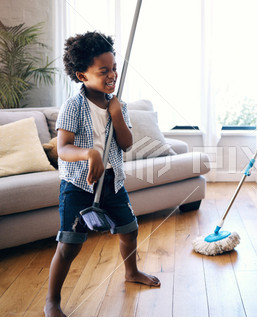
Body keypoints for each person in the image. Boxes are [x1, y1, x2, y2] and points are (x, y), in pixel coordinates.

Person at [44, 32, 160, 317]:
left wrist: (118, 114)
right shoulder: (74, 106)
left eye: (114, 68)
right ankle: (51, 300)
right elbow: (63, 148)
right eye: (103, 71)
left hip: (112, 181)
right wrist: (90, 153)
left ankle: (131, 271)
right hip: (78, 185)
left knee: (129, 230)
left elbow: (126, 143)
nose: (112, 75)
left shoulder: (116, 103)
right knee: (69, 245)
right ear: (83, 76)